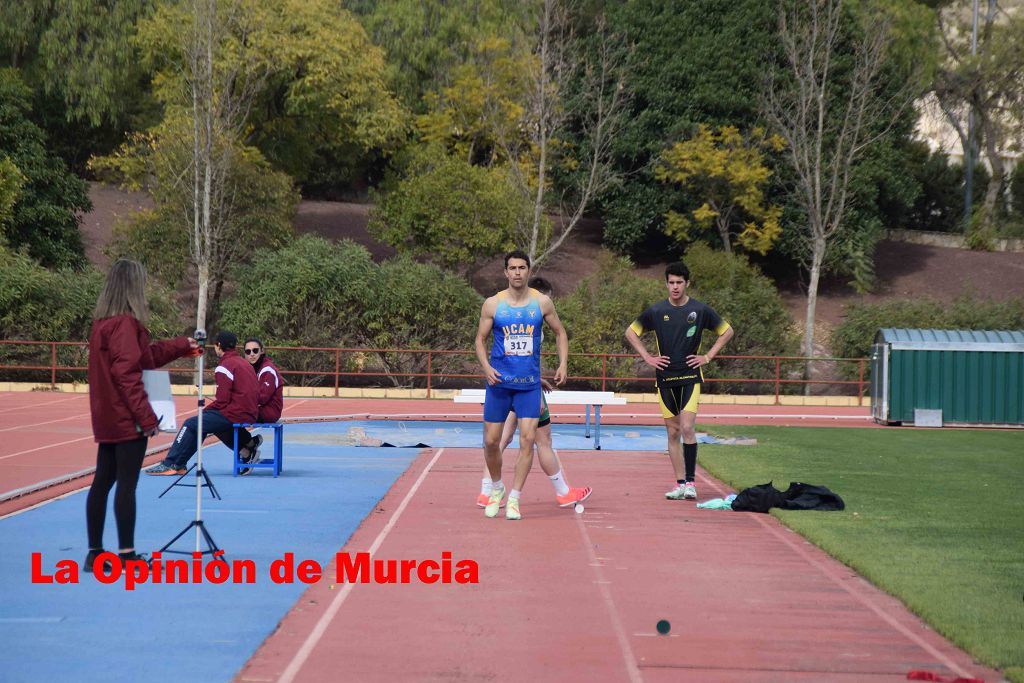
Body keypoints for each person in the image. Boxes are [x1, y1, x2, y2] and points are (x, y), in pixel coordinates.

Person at [86, 259, 198, 570]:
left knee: (102, 482)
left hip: (107, 414)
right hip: (127, 417)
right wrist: (147, 418)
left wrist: (177, 347)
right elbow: (128, 373)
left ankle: (95, 552)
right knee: (126, 485)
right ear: (133, 287)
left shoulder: (103, 325)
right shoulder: (125, 323)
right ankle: (127, 554)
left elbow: (142, 357)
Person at [476, 277, 591, 510]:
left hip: (525, 382)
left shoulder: (537, 315)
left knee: (504, 438)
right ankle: (562, 492)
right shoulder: (530, 306)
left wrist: (537, 379)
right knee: (539, 439)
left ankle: (487, 490)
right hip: (515, 385)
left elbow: (521, 354)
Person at [625, 261, 734, 501]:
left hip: (690, 377)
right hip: (664, 378)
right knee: (672, 432)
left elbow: (727, 331)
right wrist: (648, 358)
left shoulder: (700, 310)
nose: (675, 287)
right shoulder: (655, 311)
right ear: (666, 284)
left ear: (687, 284)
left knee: (687, 427)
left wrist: (707, 356)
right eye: (671, 282)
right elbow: (630, 332)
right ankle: (680, 483)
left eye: (679, 283)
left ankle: (692, 483)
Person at [146, 330, 258, 475]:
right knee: (206, 423)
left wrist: (205, 411)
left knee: (192, 423)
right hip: (249, 412)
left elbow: (223, 400)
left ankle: (170, 463)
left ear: (218, 346)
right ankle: (247, 445)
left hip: (236, 413)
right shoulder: (243, 363)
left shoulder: (225, 366)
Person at [234, 337, 283, 474]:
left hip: (268, 412)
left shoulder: (267, 370)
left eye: (255, 350)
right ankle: (250, 444)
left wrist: (239, 402)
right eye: (248, 351)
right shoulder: (252, 369)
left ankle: (247, 452)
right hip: (257, 409)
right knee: (225, 417)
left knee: (225, 419)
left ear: (262, 351)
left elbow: (262, 397)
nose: (252, 354)